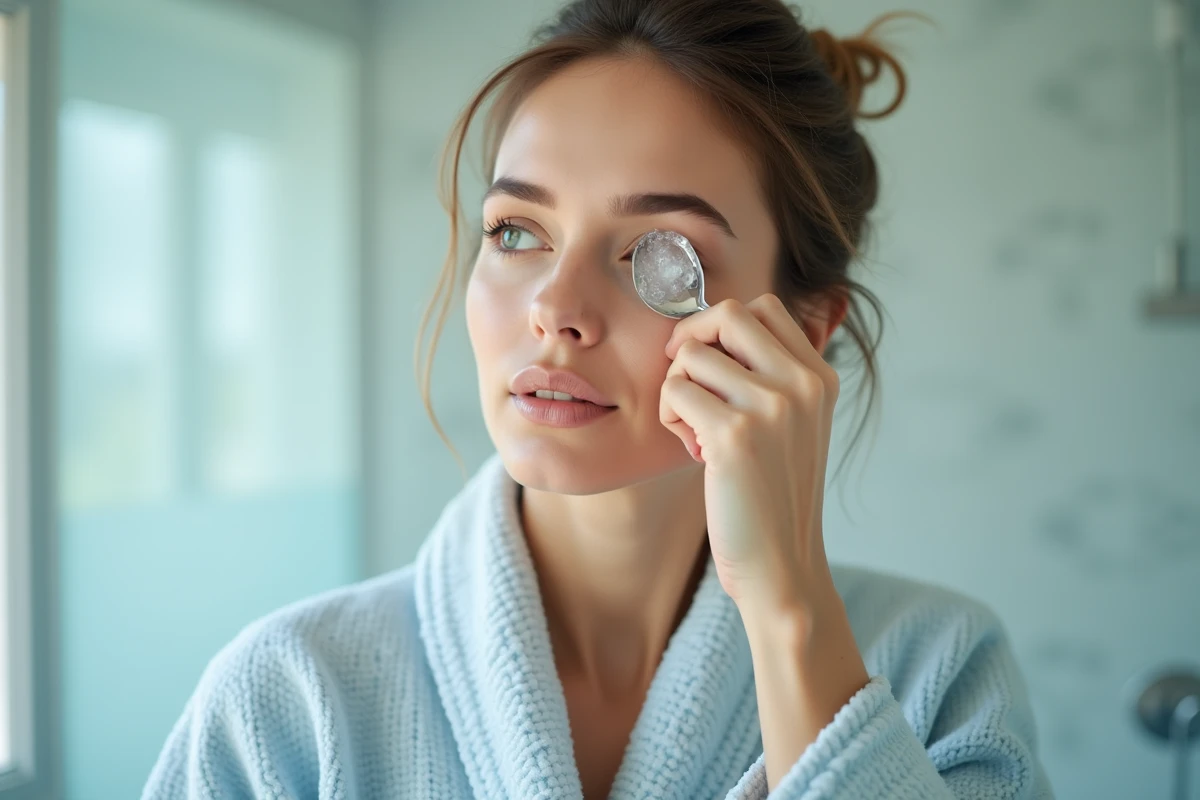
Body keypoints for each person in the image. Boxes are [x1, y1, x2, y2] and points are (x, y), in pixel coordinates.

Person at [143, 0, 1054, 797]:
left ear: (805, 329)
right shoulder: (286, 699)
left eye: (659, 255)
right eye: (517, 231)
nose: (556, 308)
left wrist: (789, 608)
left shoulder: (941, 672)